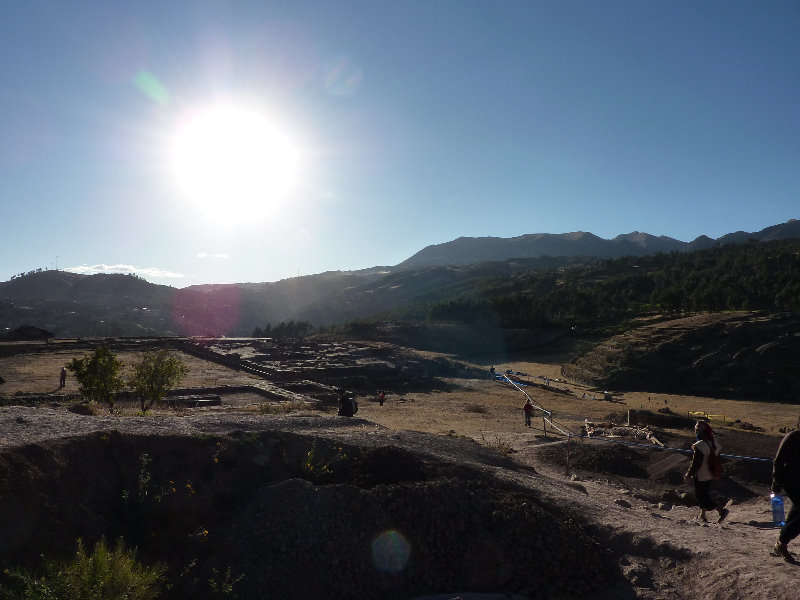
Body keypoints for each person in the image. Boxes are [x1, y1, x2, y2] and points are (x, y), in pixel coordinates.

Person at [685, 420, 729, 523]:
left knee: (701, 495)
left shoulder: (700, 445)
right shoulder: (714, 442)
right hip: (711, 472)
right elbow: (718, 458)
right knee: (704, 493)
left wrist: (688, 474)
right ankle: (702, 515)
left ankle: (721, 510)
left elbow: (696, 463)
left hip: (701, 474)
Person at [771, 429, 800, 561]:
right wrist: (776, 483)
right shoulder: (793, 437)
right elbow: (778, 460)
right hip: (792, 481)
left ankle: (781, 543)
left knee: (797, 513)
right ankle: (781, 542)